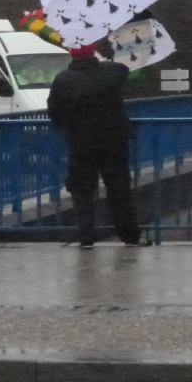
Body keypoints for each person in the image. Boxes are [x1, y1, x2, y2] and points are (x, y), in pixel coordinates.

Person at [47, 43, 144, 248]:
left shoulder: (62, 80)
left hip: (80, 143)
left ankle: (86, 236)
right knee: (119, 189)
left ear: (71, 55)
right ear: (92, 52)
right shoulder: (112, 73)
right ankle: (130, 235)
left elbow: (55, 114)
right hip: (113, 141)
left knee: (82, 190)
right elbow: (124, 69)